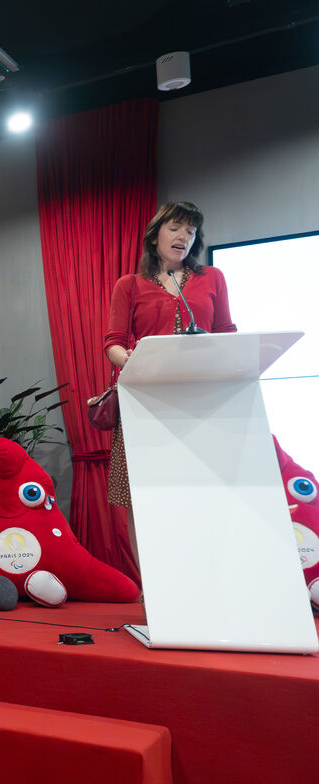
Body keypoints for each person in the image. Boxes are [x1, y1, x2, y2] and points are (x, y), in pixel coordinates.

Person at [103, 201, 237, 552]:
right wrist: (131, 360)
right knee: (142, 497)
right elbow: (113, 343)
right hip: (145, 400)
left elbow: (226, 331)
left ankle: (201, 567)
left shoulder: (212, 278)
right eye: (175, 228)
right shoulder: (129, 285)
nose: (183, 237)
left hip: (201, 402)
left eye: (191, 231)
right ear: (155, 236)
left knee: (199, 490)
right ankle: (150, 579)